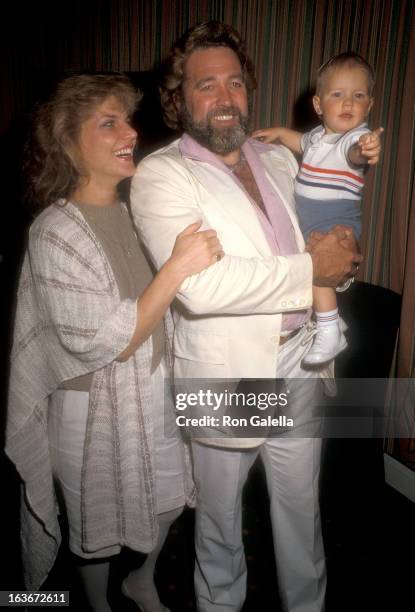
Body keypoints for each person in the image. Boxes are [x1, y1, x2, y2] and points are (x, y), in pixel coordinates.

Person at [131, 21, 362, 612]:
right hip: (222, 374)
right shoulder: (162, 175)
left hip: (299, 358)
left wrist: (339, 265)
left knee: (300, 513)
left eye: (234, 82)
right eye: (206, 85)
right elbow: (201, 287)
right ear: (179, 98)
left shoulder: (280, 159)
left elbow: (317, 240)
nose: (225, 97)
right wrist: (314, 269)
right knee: (218, 523)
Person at [6, 73, 223, 612]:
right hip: (89, 406)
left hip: (155, 386)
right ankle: (98, 601)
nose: (129, 131)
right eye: (108, 122)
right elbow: (111, 340)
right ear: (67, 143)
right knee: (95, 524)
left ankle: (141, 579)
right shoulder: (53, 232)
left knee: (171, 498)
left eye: (127, 119)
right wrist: (176, 267)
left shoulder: (135, 211)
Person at [253, 53, 383, 365]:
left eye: (358, 96)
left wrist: (366, 149)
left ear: (370, 105)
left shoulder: (350, 139)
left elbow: (354, 155)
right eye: (337, 95)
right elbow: (301, 143)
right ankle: (330, 321)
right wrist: (280, 134)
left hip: (333, 219)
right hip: (315, 219)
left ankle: (329, 331)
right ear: (318, 105)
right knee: (313, 271)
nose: (348, 103)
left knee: (317, 272)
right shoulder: (318, 137)